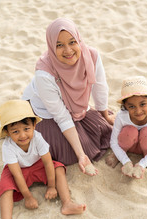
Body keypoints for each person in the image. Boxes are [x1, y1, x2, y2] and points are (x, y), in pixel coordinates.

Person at [22, 18, 114, 176]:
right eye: (59, 45)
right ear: (51, 46)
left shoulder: (91, 55)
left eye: (72, 42)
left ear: (79, 39)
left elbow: (99, 87)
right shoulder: (44, 73)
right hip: (46, 113)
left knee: (105, 130)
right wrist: (80, 155)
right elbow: (61, 117)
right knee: (74, 151)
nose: (68, 50)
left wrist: (104, 115)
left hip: (76, 108)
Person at [0, 100, 86, 219]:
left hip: (37, 165)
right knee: (5, 187)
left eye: (26, 129)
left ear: (34, 125)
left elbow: (47, 162)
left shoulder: (37, 137)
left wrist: (51, 186)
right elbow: (17, 174)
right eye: (15, 131)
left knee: (59, 168)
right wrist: (28, 197)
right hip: (17, 170)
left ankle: (67, 203)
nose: (22, 135)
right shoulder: (8, 147)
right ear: (7, 132)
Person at [107, 76, 147, 179]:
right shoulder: (121, 116)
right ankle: (119, 154)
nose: (138, 111)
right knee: (129, 131)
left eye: (143, 104)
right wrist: (126, 161)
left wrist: (142, 164)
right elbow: (113, 142)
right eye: (132, 106)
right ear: (125, 106)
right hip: (128, 144)